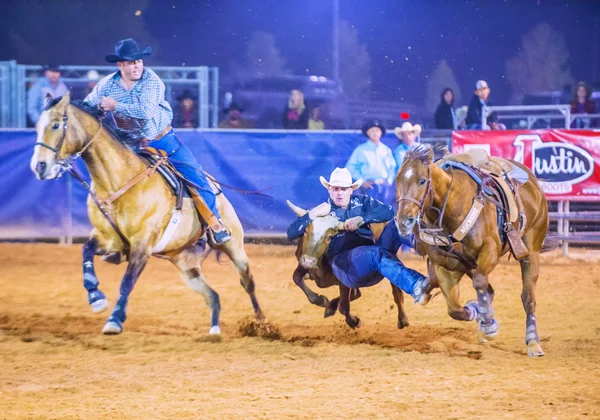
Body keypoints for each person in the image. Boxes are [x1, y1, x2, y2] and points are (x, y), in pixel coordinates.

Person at [84, 38, 231, 244]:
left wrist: (114, 105)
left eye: (139, 61)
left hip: (162, 141)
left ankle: (215, 223)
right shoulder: (106, 85)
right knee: (109, 179)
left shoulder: (152, 81)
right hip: (129, 147)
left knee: (194, 174)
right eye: (131, 62)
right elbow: (87, 106)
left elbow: (145, 112)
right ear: (120, 65)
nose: (137, 66)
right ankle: (115, 231)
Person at [286, 167, 431, 303]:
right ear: (329, 190)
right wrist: (313, 213)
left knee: (396, 224)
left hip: (373, 261)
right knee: (375, 253)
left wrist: (362, 219)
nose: (339, 193)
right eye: (336, 189)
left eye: (343, 189)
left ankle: (432, 248)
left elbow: (388, 211)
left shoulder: (362, 202)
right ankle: (416, 286)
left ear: (351, 190)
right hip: (346, 267)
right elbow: (292, 233)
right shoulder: (322, 213)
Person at [345, 120, 396, 204]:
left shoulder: (386, 149)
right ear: (367, 133)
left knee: (384, 211)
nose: (375, 133)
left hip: (384, 187)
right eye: (372, 131)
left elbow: (392, 167)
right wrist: (362, 181)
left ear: (381, 133)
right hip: (368, 187)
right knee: (368, 211)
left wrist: (389, 181)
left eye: (377, 131)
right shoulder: (361, 150)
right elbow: (350, 167)